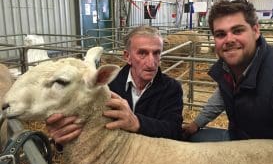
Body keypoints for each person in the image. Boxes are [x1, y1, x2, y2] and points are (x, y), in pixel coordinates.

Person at [183, 0, 273, 142]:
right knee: (190, 141)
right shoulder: (230, 68)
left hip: (272, 159)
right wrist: (196, 124)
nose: (229, 39)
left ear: (256, 31)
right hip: (240, 142)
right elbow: (224, 93)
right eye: (220, 34)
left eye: (238, 30)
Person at [46, 25, 184, 145]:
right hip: (111, 158)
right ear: (127, 56)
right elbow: (85, 124)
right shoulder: (106, 85)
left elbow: (174, 130)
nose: (151, 62)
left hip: (150, 159)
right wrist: (63, 139)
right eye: (142, 53)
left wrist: (137, 122)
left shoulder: (171, 89)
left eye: (156, 53)